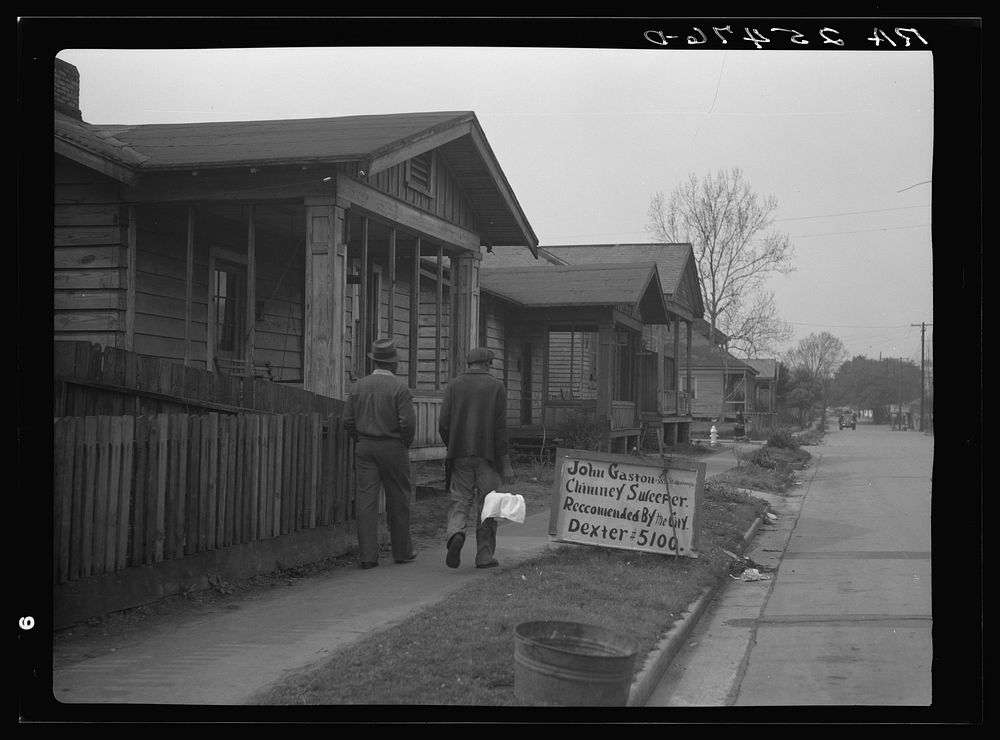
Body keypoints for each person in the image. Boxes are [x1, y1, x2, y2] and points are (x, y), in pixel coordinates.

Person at [439, 347, 517, 569]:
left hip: (459, 454)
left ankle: (456, 533)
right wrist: (506, 464)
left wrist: (452, 444)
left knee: (460, 499)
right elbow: (500, 430)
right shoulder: (496, 387)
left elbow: (443, 422)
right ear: (488, 363)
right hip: (488, 456)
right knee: (488, 505)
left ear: (469, 363)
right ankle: (484, 556)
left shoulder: (454, 385)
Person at [343, 338, 417, 570]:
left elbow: (347, 420)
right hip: (393, 447)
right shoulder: (400, 388)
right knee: (398, 499)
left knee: (366, 501)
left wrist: (360, 438)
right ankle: (402, 552)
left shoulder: (358, 387)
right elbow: (407, 424)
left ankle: (367, 557)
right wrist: (403, 443)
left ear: (373, 361)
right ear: (393, 364)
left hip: (365, 447)